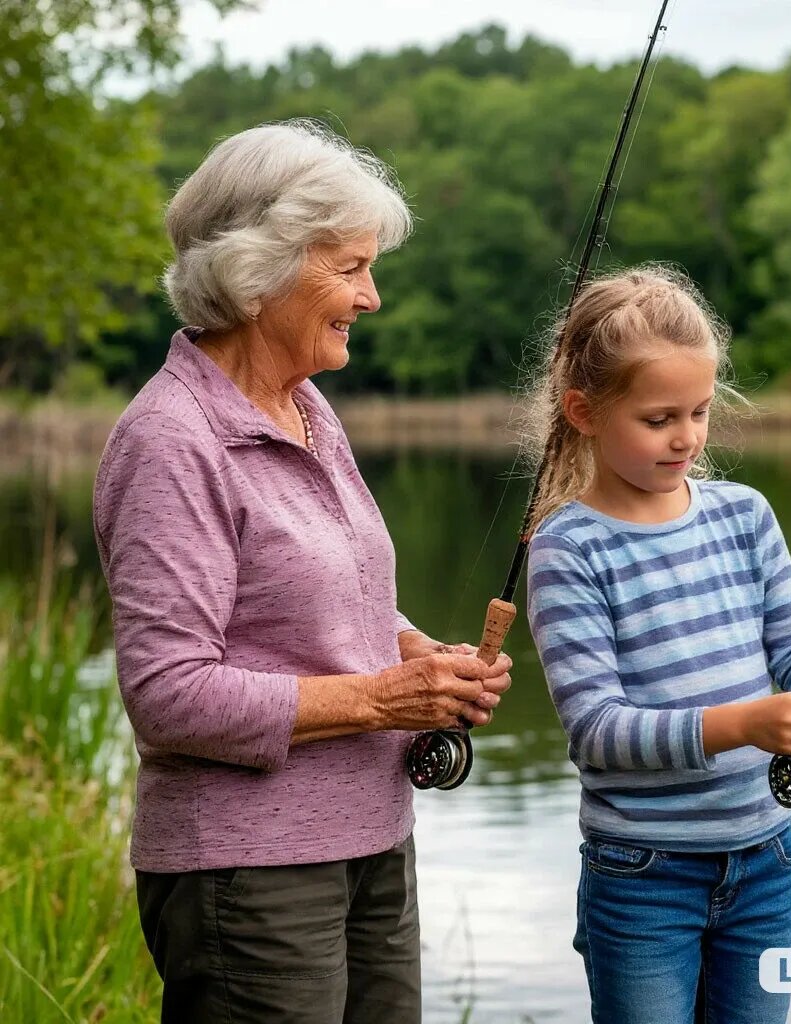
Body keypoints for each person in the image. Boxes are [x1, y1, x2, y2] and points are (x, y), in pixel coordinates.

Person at [92, 120, 512, 1024]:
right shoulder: (173, 441)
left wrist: (421, 659)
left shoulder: (309, 409)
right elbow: (167, 693)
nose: (372, 297)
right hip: (247, 874)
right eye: (350, 267)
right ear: (259, 271)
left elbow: (344, 593)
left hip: (373, 840)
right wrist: (378, 698)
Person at [524, 266, 791, 1024]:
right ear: (583, 411)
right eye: (659, 418)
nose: (687, 436)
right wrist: (742, 723)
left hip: (767, 860)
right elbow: (598, 731)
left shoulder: (744, 515)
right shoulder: (568, 548)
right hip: (641, 875)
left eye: (700, 411)